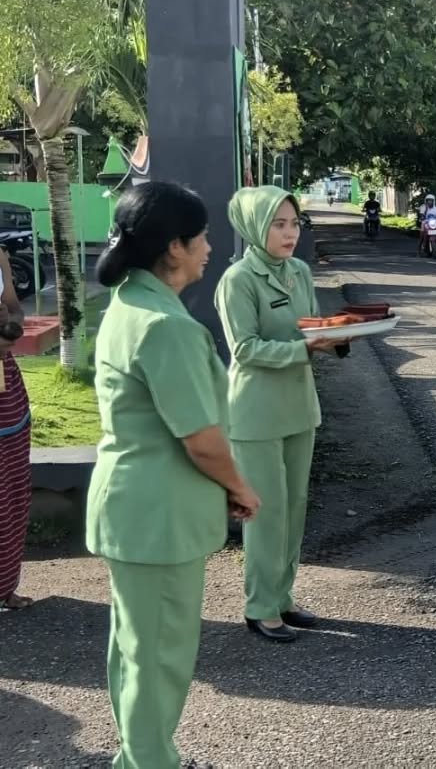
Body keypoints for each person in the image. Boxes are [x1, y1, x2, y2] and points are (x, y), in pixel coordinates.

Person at [87, 181, 261, 768]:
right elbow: (202, 441)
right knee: (160, 656)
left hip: (132, 506)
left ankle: (140, 756)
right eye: (202, 237)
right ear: (174, 248)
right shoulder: (168, 326)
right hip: (157, 514)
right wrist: (240, 486)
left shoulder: (130, 303)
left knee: (136, 650)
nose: (210, 248)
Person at [215, 185, 341, 643]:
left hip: (299, 406)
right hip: (256, 412)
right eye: (278, 225)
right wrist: (303, 350)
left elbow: (310, 326)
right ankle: (260, 607)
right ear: (254, 227)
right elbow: (245, 349)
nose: (290, 234)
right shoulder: (238, 280)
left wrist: (339, 335)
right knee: (266, 513)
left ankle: (283, 596)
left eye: (294, 224)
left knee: (295, 508)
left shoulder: (299, 271)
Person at [0, 248, 32, 611]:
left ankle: (5, 585)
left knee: (9, 483)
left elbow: (14, 306)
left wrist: (11, 328)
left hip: (4, 384)